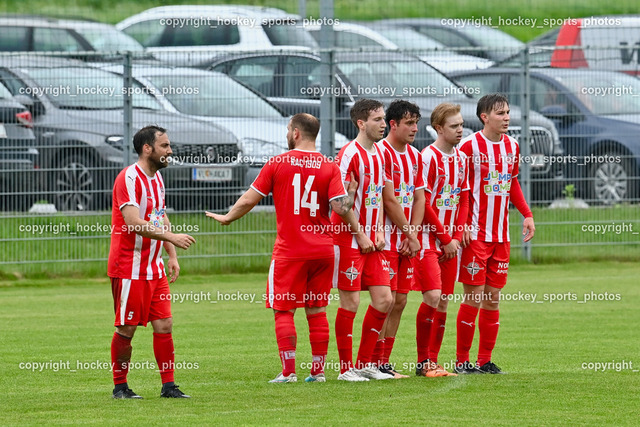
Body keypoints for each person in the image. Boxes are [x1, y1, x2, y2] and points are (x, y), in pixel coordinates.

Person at [206, 113, 367, 383]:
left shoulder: (278, 163)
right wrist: (351, 201)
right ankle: (318, 372)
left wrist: (227, 217)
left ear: (295, 133)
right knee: (316, 309)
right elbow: (341, 208)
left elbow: (248, 200)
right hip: (323, 250)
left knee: (284, 310)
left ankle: (289, 372)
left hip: (290, 251)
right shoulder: (329, 166)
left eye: (287, 130)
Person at [108, 125, 196, 399]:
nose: (170, 151)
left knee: (165, 325)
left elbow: (160, 218)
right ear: (148, 149)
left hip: (153, 266)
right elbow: (134, 223)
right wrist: (172, 236)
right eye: (165, 146)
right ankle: (120, 386)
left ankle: (168, 386)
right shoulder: (129, 179)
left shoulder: (157, 179)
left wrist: (171, 254)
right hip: (129, 266)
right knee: (127, 328)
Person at [455, 94, 536, 374]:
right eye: (500, 113)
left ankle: (484, 360)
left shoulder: (512, 146)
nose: (506, 117)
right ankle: (462, 360)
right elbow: (460, 190)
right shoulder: (468, 147)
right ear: (484, 117)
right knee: (473, 296)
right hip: (475, 235)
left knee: (492, 298)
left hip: (501, 237)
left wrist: (526, 214)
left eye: (508, 112)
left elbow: (512, 184)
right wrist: (461, 223)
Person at [333, 99, 394, 381]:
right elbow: (339, 203)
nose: (383, 124)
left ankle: (366, 364)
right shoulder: (348, 155)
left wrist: (379, 230)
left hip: (372, 240)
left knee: (384, 300)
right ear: (361, 123)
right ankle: (346, 370)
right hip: (349, 238)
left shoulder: (381, 154)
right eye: (378, 120)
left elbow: (378, 196)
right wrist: (360, 233)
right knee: (351, 303)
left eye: (383, 119)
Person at [414, 103, 469, 377]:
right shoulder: (428, 157)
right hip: (427, 240)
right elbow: (422, 202)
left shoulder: (461, 158)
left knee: (444, 301)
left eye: (461, 125)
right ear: (438, 128)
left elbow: (465, 201)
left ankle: (433, 362)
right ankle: (423, 362)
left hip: (451, 244)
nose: (460, 130)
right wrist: (445, 237)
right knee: (433, 296)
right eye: (454, 126)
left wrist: (457, 237)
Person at [371, 100, 424, 379]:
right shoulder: (381, 153)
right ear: (393, 124)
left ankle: (384, 361)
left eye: (416, 122)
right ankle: (372, 360)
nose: (415, 128)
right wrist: (408, 234)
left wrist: (412, 234)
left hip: (407, 240)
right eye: (410, 123)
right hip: (386, 241)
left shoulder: (415, 156)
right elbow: (388, 200)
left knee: (401, 301)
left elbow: (419, 198)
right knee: (386, 301)